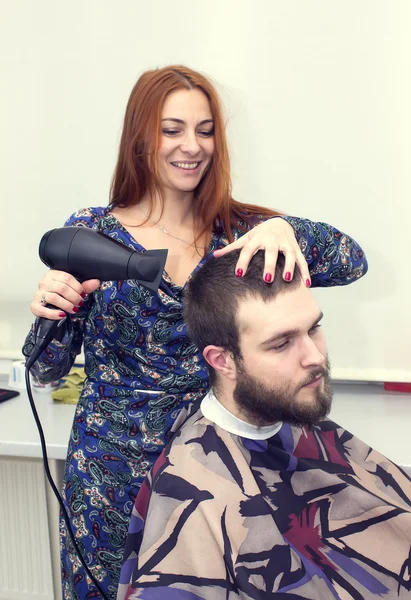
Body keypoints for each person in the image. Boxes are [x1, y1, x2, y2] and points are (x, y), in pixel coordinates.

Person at [23, 65, 368, 600]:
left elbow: (352, 262)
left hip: (220, 468)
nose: (192, 146)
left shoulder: (241, 236)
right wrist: (53, 310)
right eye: (172, 129)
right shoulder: (91, 230)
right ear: (142, 138)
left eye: (205, 130)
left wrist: (286, 229)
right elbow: (45, 371)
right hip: (114, 474)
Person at [119, 250, 411, 600]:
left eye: (314, 328)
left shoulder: (295, 418)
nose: (315, 357)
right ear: (223, 360)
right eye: (282, 343)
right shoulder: (191, 488)